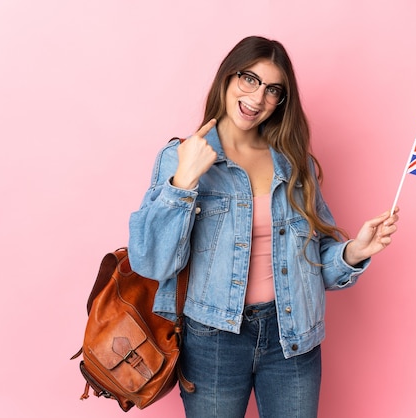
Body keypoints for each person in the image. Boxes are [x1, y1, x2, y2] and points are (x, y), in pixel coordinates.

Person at [128, 35, 399, 418]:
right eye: (249, 79)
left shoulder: (293, 163)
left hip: (292, 337)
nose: (257, 99)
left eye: (273, 90)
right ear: (227, 77)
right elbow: (151, 263)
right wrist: (184, 183)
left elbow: (314, 260)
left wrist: (355, 251)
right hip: (213, 338)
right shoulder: (181, 156)